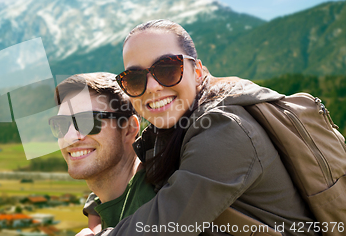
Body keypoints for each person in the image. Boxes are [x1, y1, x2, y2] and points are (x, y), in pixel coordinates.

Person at [78, 20, 318, 236]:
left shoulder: (226, 130)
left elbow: (164, 226)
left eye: (167, 69)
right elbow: (136, 169)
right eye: (134, 78)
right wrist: (96, 209)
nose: (152, 87)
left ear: (198, 72)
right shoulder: (174, 129)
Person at [50, 72, 157, 233]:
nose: (69, 137)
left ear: (128, 129)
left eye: (88, 121)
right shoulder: (106, 200)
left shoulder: (156, 206)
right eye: (61, 124)